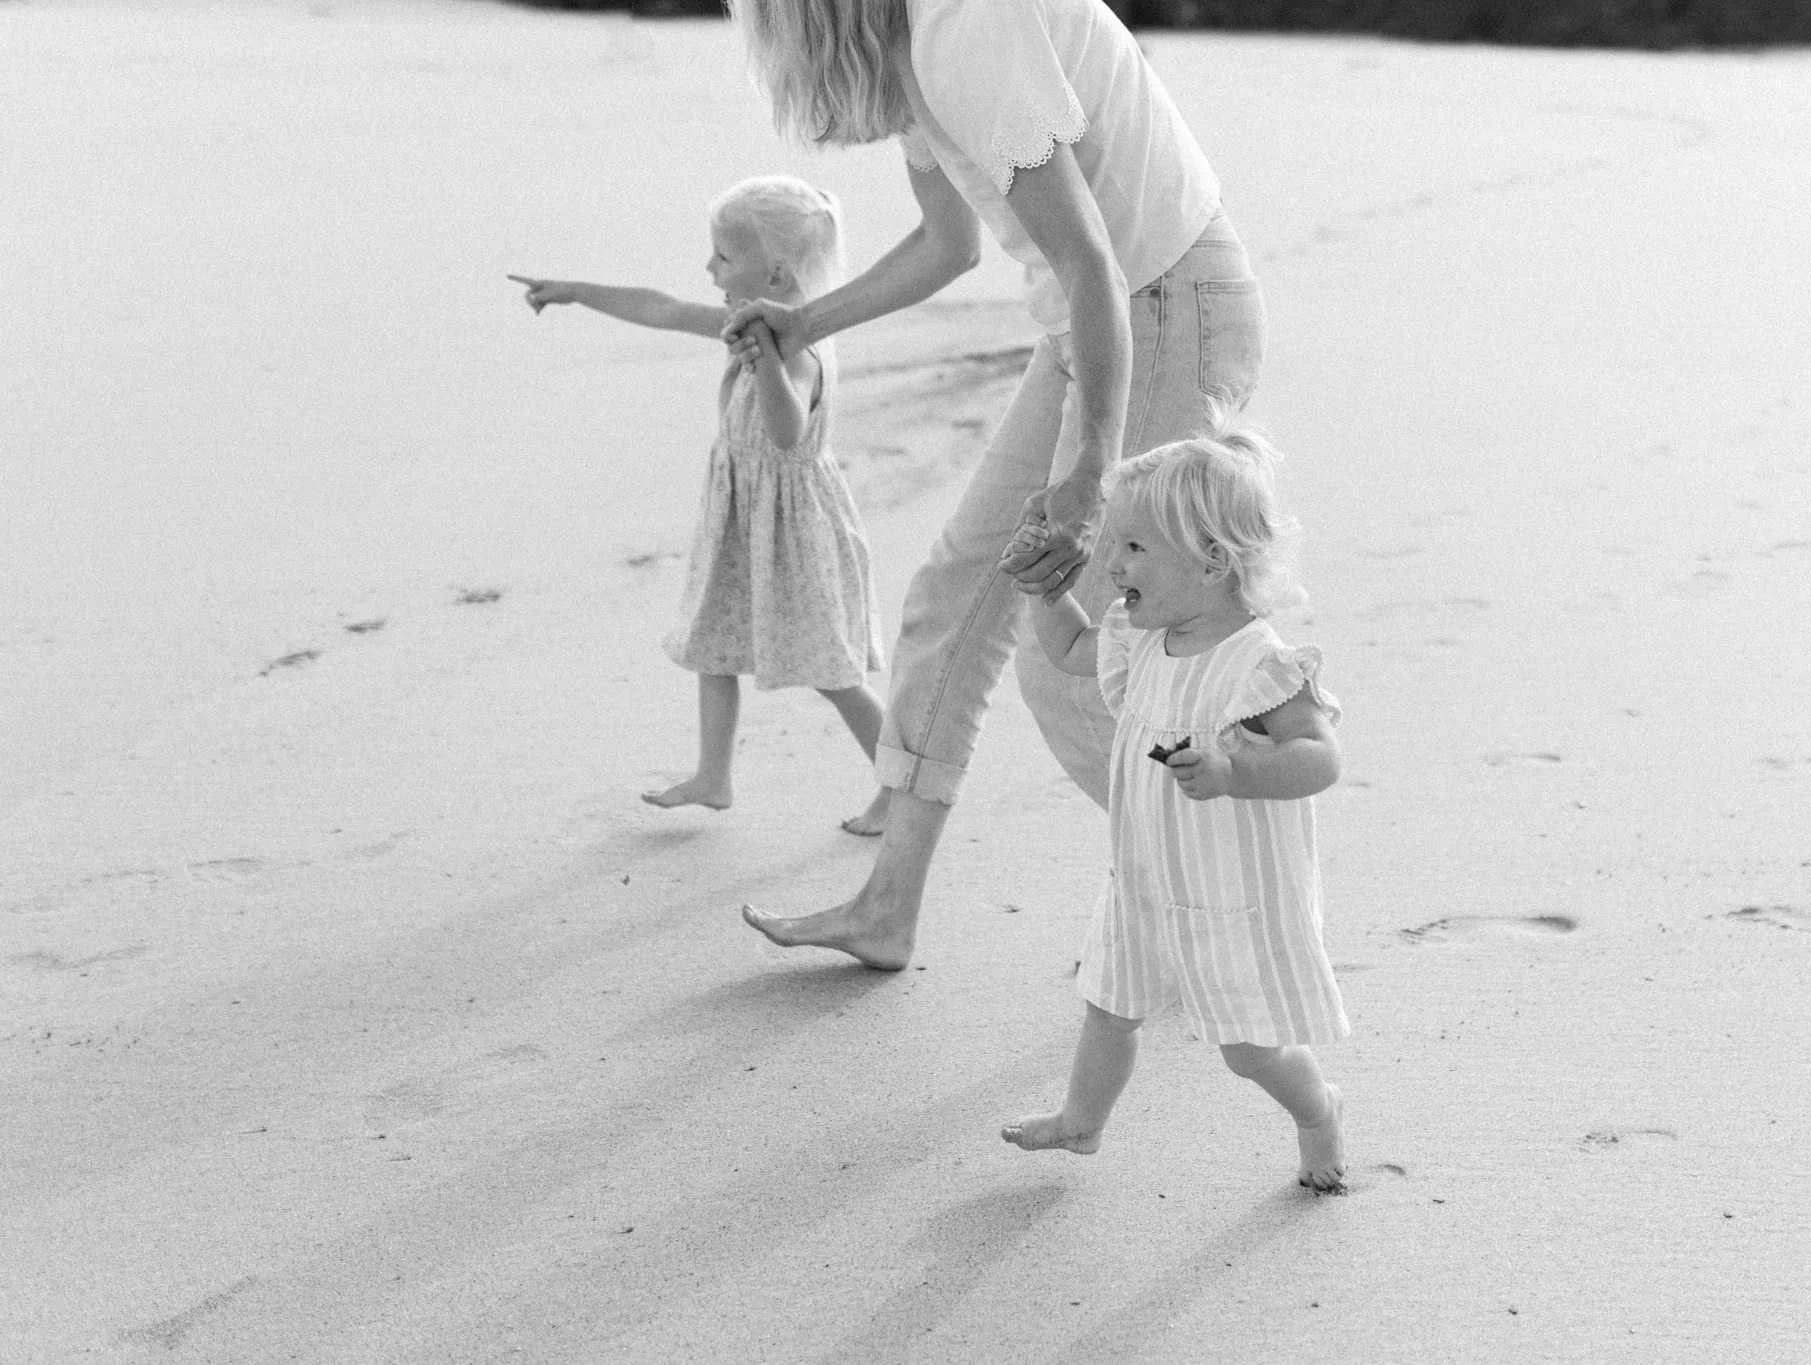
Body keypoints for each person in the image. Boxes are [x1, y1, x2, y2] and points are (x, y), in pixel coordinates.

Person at [725, 0, 1267, 970]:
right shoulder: (915, 42)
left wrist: (1086, 478)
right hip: (1099, 322)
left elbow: (1092, 260)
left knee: (1065, 660)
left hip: (1162, 312)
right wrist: (807, 323)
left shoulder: (963, 24)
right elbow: (949, 245)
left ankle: (1217, 895)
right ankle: (886, 910)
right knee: (952, 598)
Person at [996, 430, 1350, 1192]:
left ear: (1212, 560)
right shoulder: (1142, 637)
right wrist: (1044, 594)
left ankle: (1318, 1110)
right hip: (1145, 874)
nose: (1113, 564)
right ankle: (1081, 1121)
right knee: (1108, 1004)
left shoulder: (1258, 660)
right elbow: (1068, 653)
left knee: (1247, 1048)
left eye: (1132, 547)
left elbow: (1320, 756)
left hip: (1229, 891)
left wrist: (1233, 772)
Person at [510, 175, 891, 835]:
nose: (708, 268)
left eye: (722, 257)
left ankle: (902, 787)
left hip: (795, 531)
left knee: (830, 668)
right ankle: (713, 775)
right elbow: (663, 308)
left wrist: (766, 359)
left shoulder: (797, 345)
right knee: (713, 642)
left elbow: (788, 430)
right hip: (744, 521)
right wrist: (576, 291)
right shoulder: (749, 321)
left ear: (772, 274)